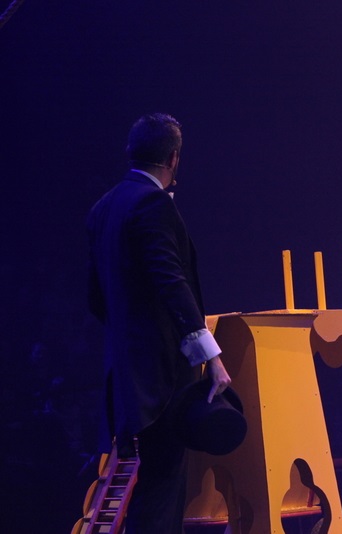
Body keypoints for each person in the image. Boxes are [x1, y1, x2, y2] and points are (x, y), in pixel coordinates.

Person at [87, 113, 231, 533]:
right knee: (161, 490)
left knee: (149, 490)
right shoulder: (152, 204)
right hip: (161, 377)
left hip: (125, 376)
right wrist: (211, 357)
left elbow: (96, 297)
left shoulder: (103, 207)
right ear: (173, 159)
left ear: (130, 152)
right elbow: (171, 282)